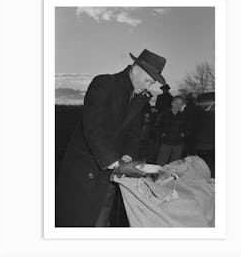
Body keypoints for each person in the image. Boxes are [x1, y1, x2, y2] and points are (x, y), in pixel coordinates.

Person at [55, 49, 167, 227]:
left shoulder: (138, 99)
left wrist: (127, 157)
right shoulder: (103, 84)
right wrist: (117, 163)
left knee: (102, 219)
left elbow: (133, 134)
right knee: (77, 223)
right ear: (136, 69)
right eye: (148, 81)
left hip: (111, 174)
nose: (148, 87)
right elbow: (93, 128)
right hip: (87, 169)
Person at [155, 95, 189, 166]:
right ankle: (158, 176)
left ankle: (171, 176)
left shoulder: (183, 116)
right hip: (166, 142)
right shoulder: (164, 114)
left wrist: (183, 134)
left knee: (174, 165)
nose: (178, 106)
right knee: (161, 163)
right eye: (176, 103)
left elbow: (186, 128)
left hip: (178, 144)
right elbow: (157, 126)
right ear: (172, 103)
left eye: (180, 104)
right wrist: (162, 133)